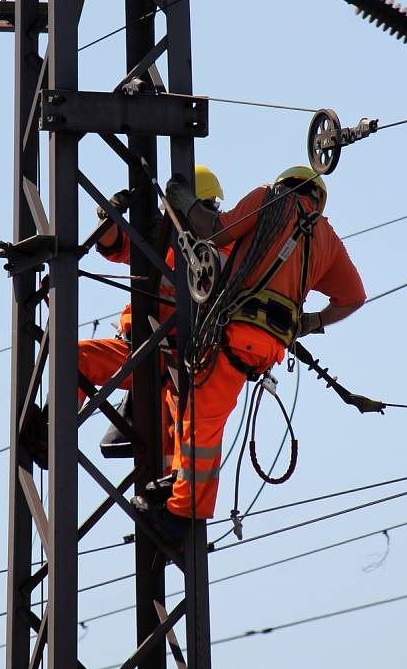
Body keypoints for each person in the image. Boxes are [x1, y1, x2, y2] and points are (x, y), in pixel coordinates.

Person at [157, 165, 366, 526]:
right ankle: (177, 484)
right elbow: (353, 298)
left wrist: (187, 204)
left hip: (237, 332)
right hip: (269, 347)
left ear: (286, 183)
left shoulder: (269, 199)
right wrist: (312, 322)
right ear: (318, 198)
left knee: (201, 421)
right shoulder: (327, 237)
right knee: (192, 407)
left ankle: (183, 510)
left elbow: (218, 232)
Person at [21, 166, 226, 471]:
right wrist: (110, 219)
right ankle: (53, 433)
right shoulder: (161, 244)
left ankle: (171, 499)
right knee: (77, 358)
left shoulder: (219, 255)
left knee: (173, 434)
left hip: (179, 362)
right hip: (137, 351)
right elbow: (115, 244)